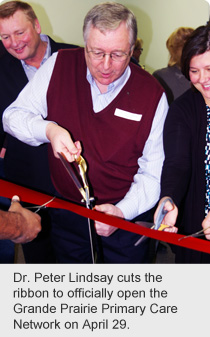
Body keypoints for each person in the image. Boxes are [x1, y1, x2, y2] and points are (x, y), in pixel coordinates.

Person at [3, 2, 168, 263]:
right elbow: (12, 117)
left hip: (124, 218)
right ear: (84, 43)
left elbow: (154, 172)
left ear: (133, 48)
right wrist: (49, 130)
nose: (105, 65)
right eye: (96, 52)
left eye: (118, 54)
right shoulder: (60, 64)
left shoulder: (153, 94)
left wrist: (122, 212)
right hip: (68, 215)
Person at [0, 0, 78, 263]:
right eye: (5, 37)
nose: (14, 42)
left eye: (20, 32)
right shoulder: (0, 68)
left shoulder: (76, 58)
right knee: (39, 259)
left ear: (36, 25)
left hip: (73, 180)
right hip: (26, 181)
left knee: (78, 257)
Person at [154, 24, 210, 263]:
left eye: (209, 68)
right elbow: (177, 163)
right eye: (194, 71)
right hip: (196, 223)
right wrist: (168, 197)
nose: (202, 79)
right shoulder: (183, 108)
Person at [153, 27, 194, 105]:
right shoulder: (161, 77)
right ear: (173, 51)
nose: (189, 52)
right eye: (184, 47)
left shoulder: (203, 77)